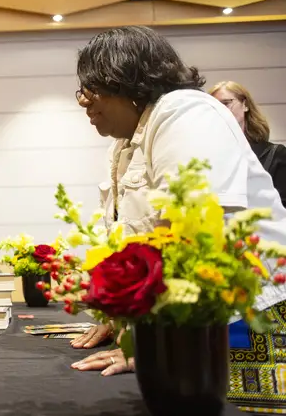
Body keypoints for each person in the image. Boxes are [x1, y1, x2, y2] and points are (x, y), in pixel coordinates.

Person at [65, 26, 286, 411]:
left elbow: (197, 239)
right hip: (195, 326)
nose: (84, 101)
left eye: (91, 87)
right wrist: (122, 319)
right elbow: (141, 246)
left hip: (240, 323)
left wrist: (155, 348)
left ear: (125, 77)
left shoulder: (186, 113)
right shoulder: (128, 139)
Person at [209, 80, 286, 206]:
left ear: (245, 105)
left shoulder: (276, 155)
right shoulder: (208, 157)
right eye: (214, 107)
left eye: (226, 103)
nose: (220, 110)